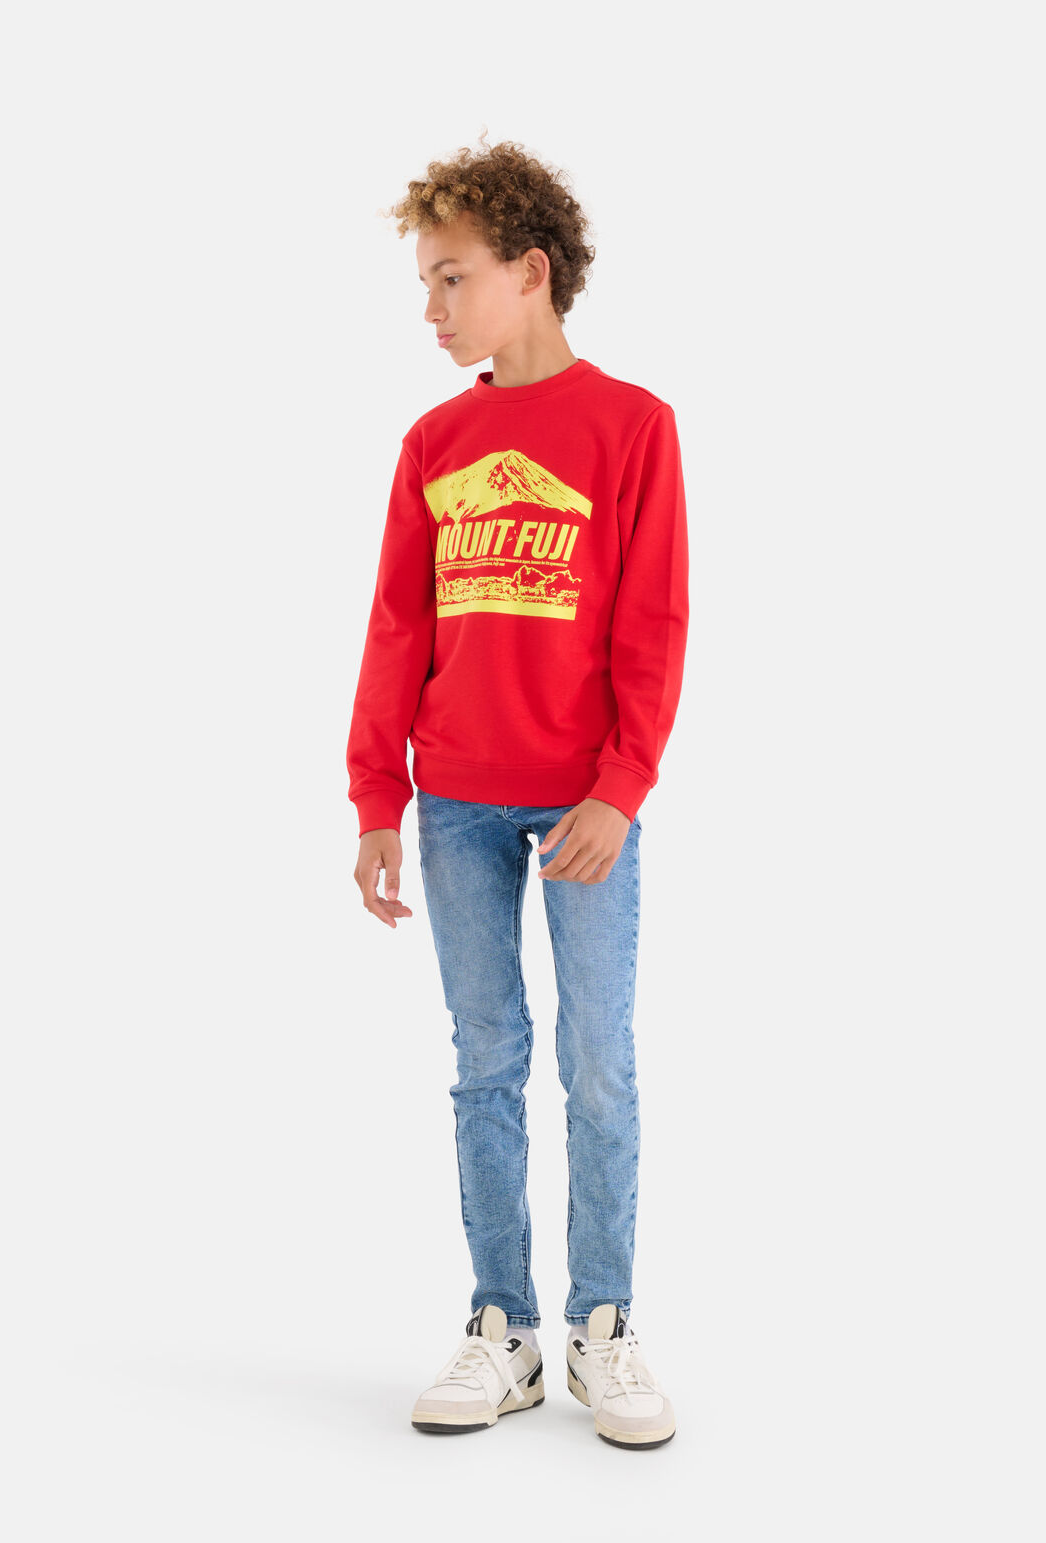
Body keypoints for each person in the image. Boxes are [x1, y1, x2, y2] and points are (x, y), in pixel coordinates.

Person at [346, 136, 689, 1449]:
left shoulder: (632, 428)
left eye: (453, 280)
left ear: (530, 273)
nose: (432, 311)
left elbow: (653, 623)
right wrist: (377, 799)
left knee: (599, 1062)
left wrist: (622, 785)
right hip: (456, 805)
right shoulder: (435, 442)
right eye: (425, 286)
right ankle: (506, 1327)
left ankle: (605, 1323)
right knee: (485, 1062)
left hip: (586, 808)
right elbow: (398, 628)